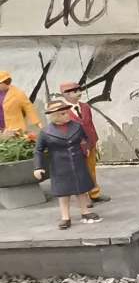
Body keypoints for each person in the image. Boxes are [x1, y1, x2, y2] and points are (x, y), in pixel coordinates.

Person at [33, 96, 95, 230]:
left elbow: (86, 138)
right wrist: (38, 167)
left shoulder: (76, 126)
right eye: (62, 114)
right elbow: (38, 150)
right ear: (53, 116)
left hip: (77, 162)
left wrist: (87, 148)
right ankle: (65, 217)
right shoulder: (46, 132)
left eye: (66, 112)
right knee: (63, 192)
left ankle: (85, 211)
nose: (66, 115)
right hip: (59, 165)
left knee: (81, 189)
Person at [56, 82, 102, 202]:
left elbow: (90, 124)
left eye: (79, 90)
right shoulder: (62, 110)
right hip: (75, 146)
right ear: (66, 94)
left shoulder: (85, 107)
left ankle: (94, 193)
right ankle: (84, 197)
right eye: (75, 91)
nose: (79, 93)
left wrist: (94, 140)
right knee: (80, 172)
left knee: (91, 169)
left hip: (89, 143)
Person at [0, 71, 40, 139]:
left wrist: (38, 124)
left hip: (15, 129)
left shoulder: (18, 93)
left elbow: (29, 109)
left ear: (5, 82)